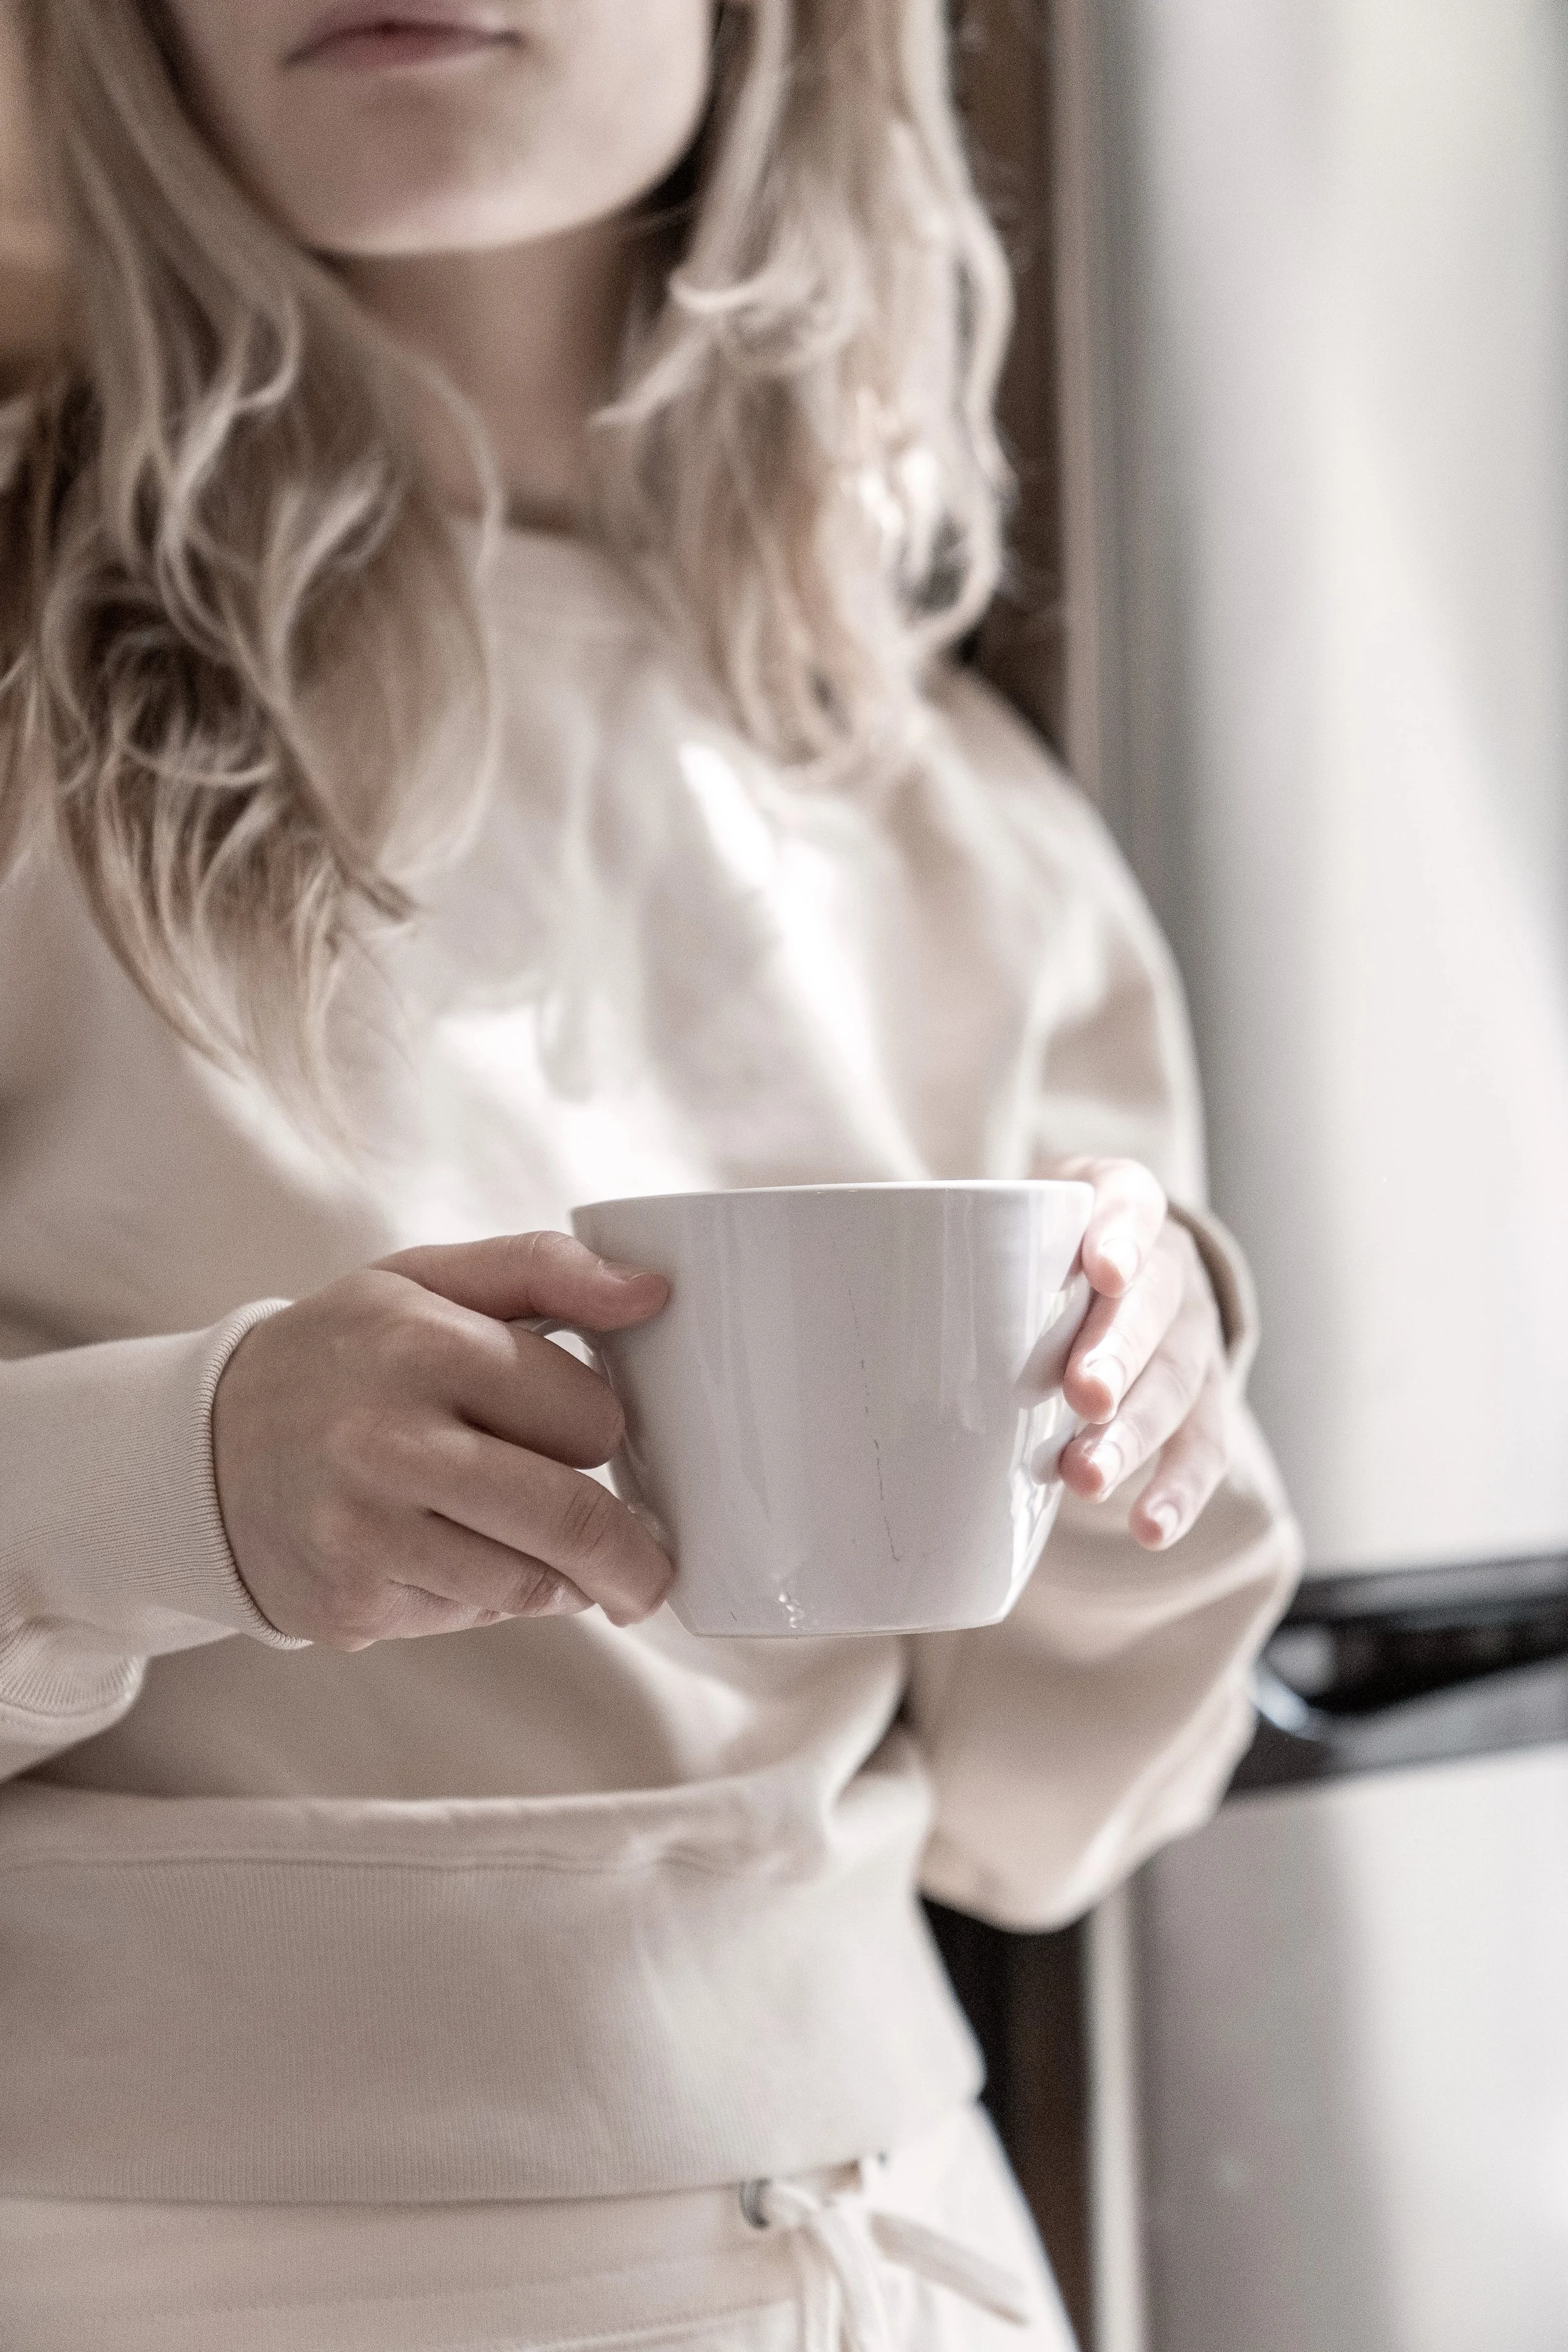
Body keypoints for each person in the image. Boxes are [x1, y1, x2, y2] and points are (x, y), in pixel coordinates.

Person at [0, 4, 1301, 2346]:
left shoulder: (954, 815)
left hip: (896, 2248)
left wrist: (1144, 1433)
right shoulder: (29, 702)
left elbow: (1055, 1810)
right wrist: (177, 1483)